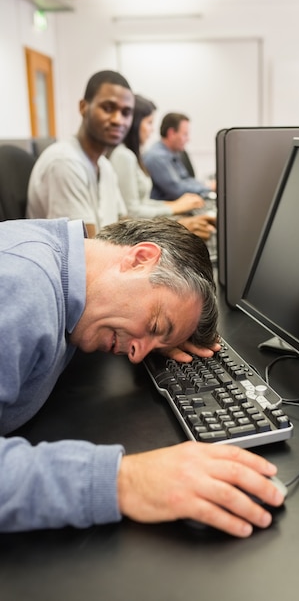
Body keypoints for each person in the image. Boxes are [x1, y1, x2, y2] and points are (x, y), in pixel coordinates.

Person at [0, 216, 284, 536]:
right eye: (154, 326)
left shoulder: (67, 269)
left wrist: (156, 338)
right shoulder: (22, 287)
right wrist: (126, 481)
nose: (137, 354)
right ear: (140, 259)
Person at [27, 70, 135, 238]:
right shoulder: (64, 162)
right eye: (108, 108)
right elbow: (85, 250)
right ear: (83, 107)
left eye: (126, 113)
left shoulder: (105, 166)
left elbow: (125, 227)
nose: (118, 120)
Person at [108, 94, 216, 241]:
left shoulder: (133, 155)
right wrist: (174, 207)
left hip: (145, 224)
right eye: (149, 123)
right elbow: (131, 211)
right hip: (137, 233)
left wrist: (173, 205)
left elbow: (143, 201)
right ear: (136, 123)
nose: (152, 130)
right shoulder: (125, 156)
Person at [143, 112, 216, 201]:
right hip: (166, 210)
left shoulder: (173, 153)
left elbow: (186, 180)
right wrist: (209, 187)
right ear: (171, 133)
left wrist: (206, 185)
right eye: (185, 134)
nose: (188, 139)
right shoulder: (156, 157)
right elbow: (177, 191)